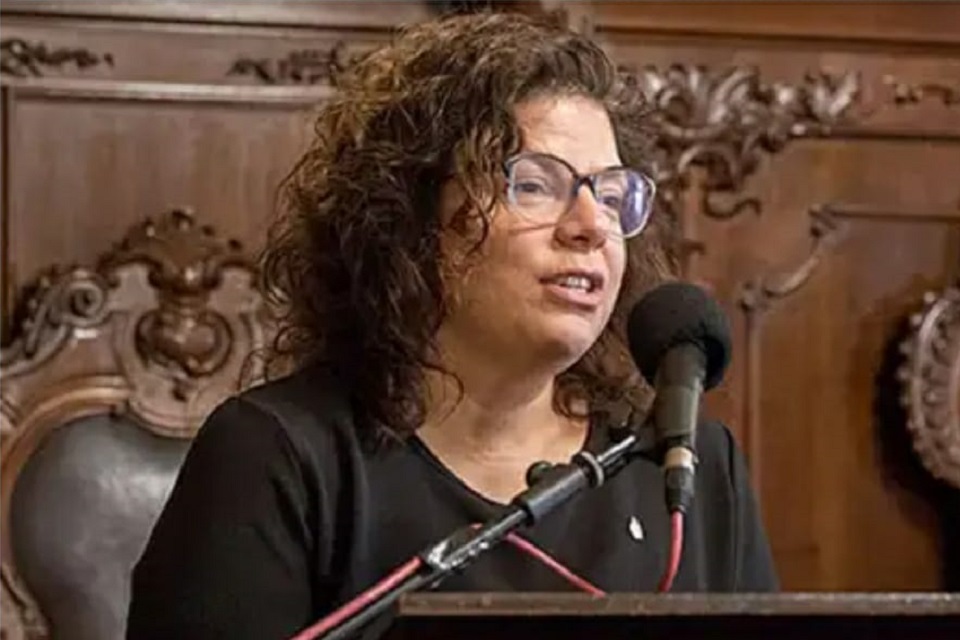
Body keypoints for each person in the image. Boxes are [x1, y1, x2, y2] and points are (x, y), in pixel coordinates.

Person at [127, 11, 777, 640]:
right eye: (536, 185)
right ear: (410, 220)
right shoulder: (281, 456)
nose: (591, 226)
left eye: (610, 196)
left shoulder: (686, 467)